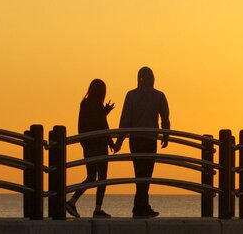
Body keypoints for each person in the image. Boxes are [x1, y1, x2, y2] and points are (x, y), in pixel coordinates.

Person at [114, 66, 170, 218]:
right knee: (146, 175)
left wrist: (119, 141)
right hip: (150, 139)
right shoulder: (159, 96)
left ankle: (140, 206)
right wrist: (165, 136)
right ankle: (141, 206)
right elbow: (165, 117)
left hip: (135, 139)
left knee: (139, 173)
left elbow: (125, 120)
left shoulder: (131, 95)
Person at [66, 79, 115, 218]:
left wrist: (105, 111)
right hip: (99, 145)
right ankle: (98, 209)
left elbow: (90, 122)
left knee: (91, 177)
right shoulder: (98, 106)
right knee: (102, 178)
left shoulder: (84, 103)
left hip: (87, 145)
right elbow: (102, 126)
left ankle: (72, 201)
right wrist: (111, 142)